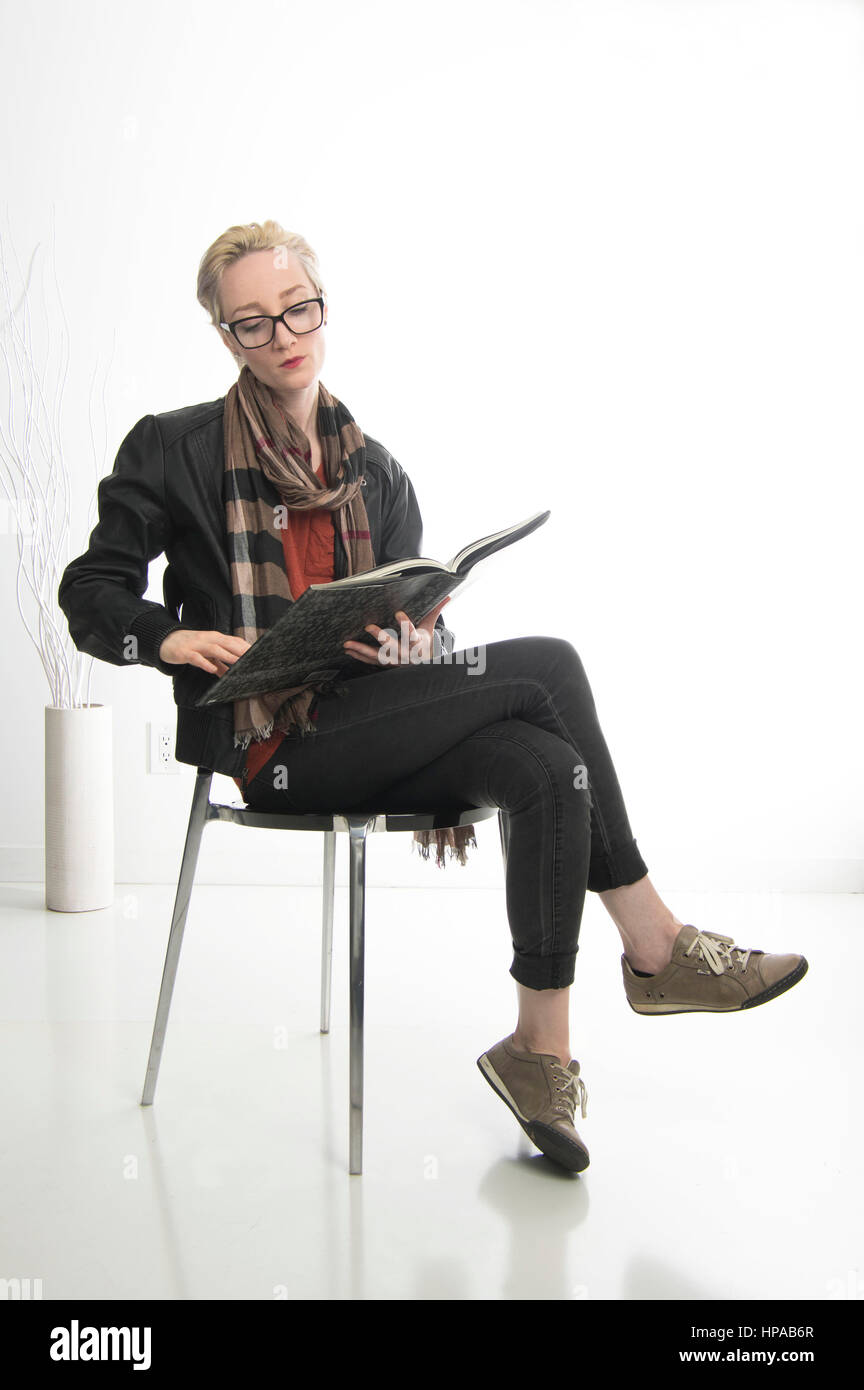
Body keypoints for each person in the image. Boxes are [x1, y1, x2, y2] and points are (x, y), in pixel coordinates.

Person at [58, 220, 808, 1175]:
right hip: (273, 747)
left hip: (376, 719)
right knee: (550, 664)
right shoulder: (173, 448)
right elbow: (91, 592)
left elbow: (421, 643)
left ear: (323, 307)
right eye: (253, 322)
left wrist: (417, 643)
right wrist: (169, 636)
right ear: (225, 338)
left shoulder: (376, 471)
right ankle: (656, 947)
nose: (283, 333)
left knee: (548, 764)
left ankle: (539, 1052)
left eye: (298, 308)